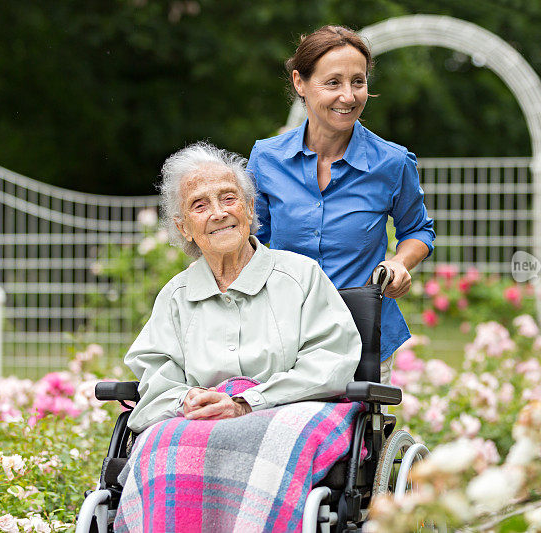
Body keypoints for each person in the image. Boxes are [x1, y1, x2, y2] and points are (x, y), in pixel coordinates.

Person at [124, 141, 362, 433]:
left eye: (228, 198)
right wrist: (187, 399)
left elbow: (330, 364)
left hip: (285, 417)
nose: (218, 213)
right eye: (200, 205)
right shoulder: (176, 297)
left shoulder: (302, 277)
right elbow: (157, 382)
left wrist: (247, 403)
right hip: (199, 426)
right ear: (184, 227)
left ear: (249, 209)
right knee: (159, 446)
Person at [247, 25, 435, 385]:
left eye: (358, 82)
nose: (348, 96)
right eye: (333, 83)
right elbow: (252, 240)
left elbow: (418, 230)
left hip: (363, 334)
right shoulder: (266, 158)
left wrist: (398, 263)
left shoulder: (392, 163)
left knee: (355, 439)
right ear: (300, 83)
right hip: (283, 334)